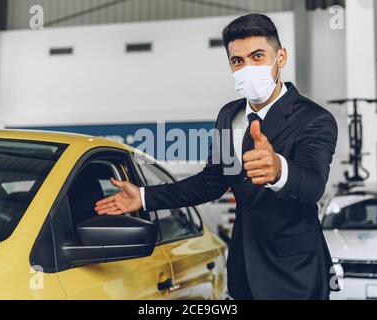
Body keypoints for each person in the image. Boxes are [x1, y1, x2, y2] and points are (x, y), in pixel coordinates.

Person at [95, 13, 338, 300]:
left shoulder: (315, 119)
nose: (247, 67)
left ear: (280, 58)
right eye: (238, 61)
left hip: (293, 272)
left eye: (257, 56)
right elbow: (211, 182)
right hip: (243, 270)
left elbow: (312, 185)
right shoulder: (229, 115)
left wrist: (279, 171)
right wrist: (144, 197)